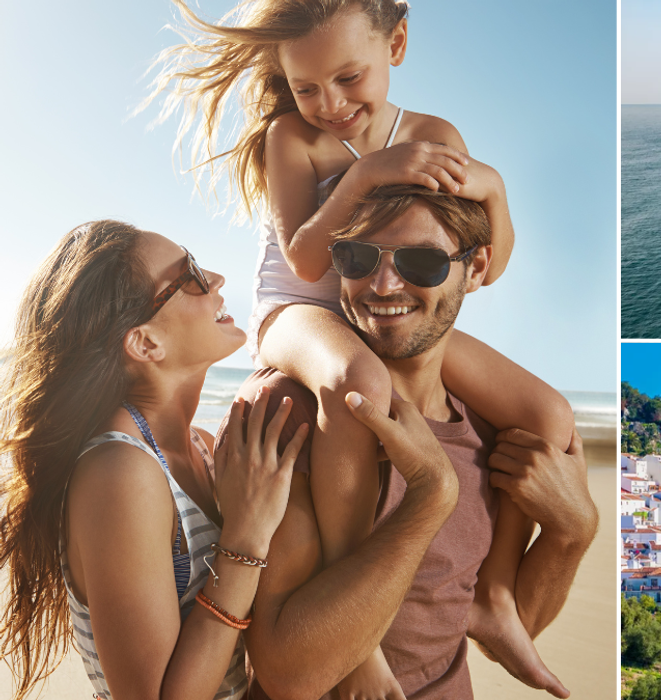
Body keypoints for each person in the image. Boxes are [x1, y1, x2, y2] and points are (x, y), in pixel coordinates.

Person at [145, 0, 572, 693]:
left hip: (381, 300)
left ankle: (493, 598)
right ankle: (362, 630)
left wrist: (491, 187)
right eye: (307, 87)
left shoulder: (433, 132)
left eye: (348, 78)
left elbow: (487, 255)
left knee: (547, 413)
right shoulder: (293, 138)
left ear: (396, 44)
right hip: (297, 314)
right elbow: (307, 258)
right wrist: (368, 176)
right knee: (360, 386)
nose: (329, 104)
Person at [225, 185, 599, 699]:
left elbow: (511, 622)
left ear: (477, 267)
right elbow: (290, 676)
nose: (382, 284)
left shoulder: (494, 432)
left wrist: (572, 531)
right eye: (356, 258)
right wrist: (431, 497)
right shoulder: (293, 412)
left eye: (421, 262)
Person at [0, 220, 310, 700]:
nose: (217, 279)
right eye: (190, 276)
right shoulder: (120, 472)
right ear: (145, 343)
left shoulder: (206, 448)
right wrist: (245, 538)